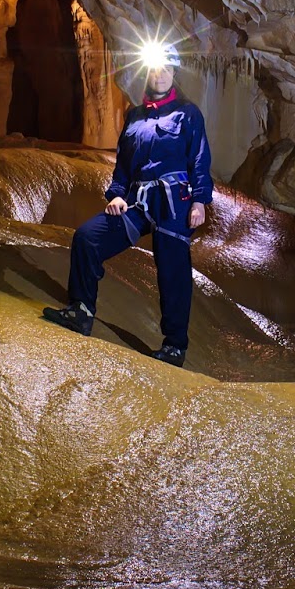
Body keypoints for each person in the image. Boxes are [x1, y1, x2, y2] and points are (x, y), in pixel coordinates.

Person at [42, 47, 213, 366]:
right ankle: (81, 310)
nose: (159, 74)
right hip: (137, 199)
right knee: (88, 237)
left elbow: (200, 160)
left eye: (165, 69)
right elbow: (123, 166)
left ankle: (175, 345)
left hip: (173, 200)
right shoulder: (136, 116)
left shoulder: (188, 114)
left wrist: (201, 200)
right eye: (154, 69)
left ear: (174, 73)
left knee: (172, 269)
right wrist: (117, 194)